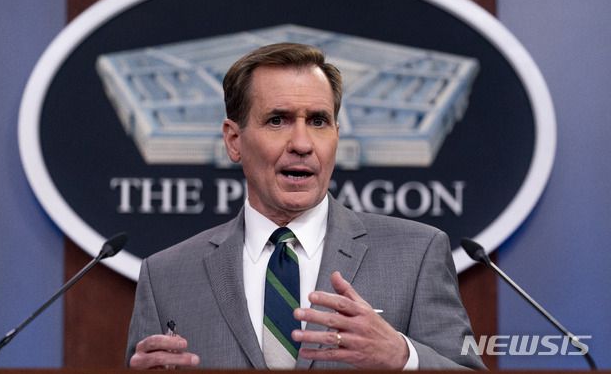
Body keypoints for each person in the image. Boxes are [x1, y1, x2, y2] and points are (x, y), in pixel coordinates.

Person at [126, 43, 485, 370]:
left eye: (318, 121)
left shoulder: (416, 254)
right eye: (277, 120)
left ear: (336, 135)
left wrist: (403, 357)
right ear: (234, 140)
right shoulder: (166, 277)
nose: (302, 143)